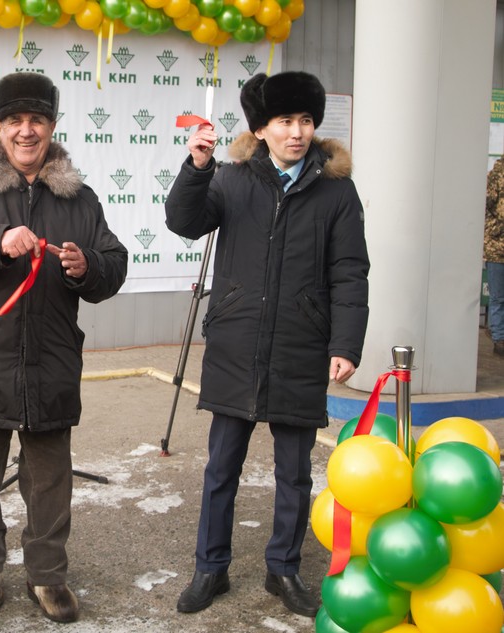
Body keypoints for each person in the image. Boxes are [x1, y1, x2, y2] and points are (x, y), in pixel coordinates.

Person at [0, 72, 127, 623]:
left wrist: (88, 266)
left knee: (51, 479)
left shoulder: (79, 198)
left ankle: (47, 574)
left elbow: (114, 263)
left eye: (37, 120)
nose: (26, 131)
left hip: (51, 361)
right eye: (15, 121)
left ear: (53, 126)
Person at [164, 71, 370, 618]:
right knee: (221, 468)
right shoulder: (231, 179)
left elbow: (350, 272)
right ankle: (210, 567)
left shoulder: (337, 191)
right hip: (237, 342)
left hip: (302, 346)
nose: (296, 132)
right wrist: (197, 167)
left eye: (305, 120)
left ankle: (284, 568)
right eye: (284, 121)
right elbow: (184, 222)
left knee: (295, 474)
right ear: (261, 129)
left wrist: (346, 343)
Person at [485, 156, 504, 356]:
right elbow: (488, 205)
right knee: (498, 297)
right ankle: (499, 338)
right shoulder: (496, 174)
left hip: (495, 245)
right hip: (496, 248)